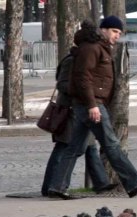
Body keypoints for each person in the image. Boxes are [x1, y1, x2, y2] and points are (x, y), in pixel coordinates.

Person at [47, 16, 137, 200]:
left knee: (74, 148)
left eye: (119, 33)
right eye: (114, 31)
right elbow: (83, 78)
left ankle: (57, 187)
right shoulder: (92, 48)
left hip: (89, 104)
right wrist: (92, 105)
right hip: (92, 104)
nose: (117, 36)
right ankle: (134, 183)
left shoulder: (97, 47)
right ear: (103, 29)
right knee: (112, 144)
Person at [41, 27, 117, 197]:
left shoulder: (80, 58)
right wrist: (79, 91)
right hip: (69, 111)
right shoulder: (71, 60)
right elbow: (62, 84)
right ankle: (50, 187)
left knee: (89, 147)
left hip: (79, 109)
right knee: (64, 148)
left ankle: (101, 183)